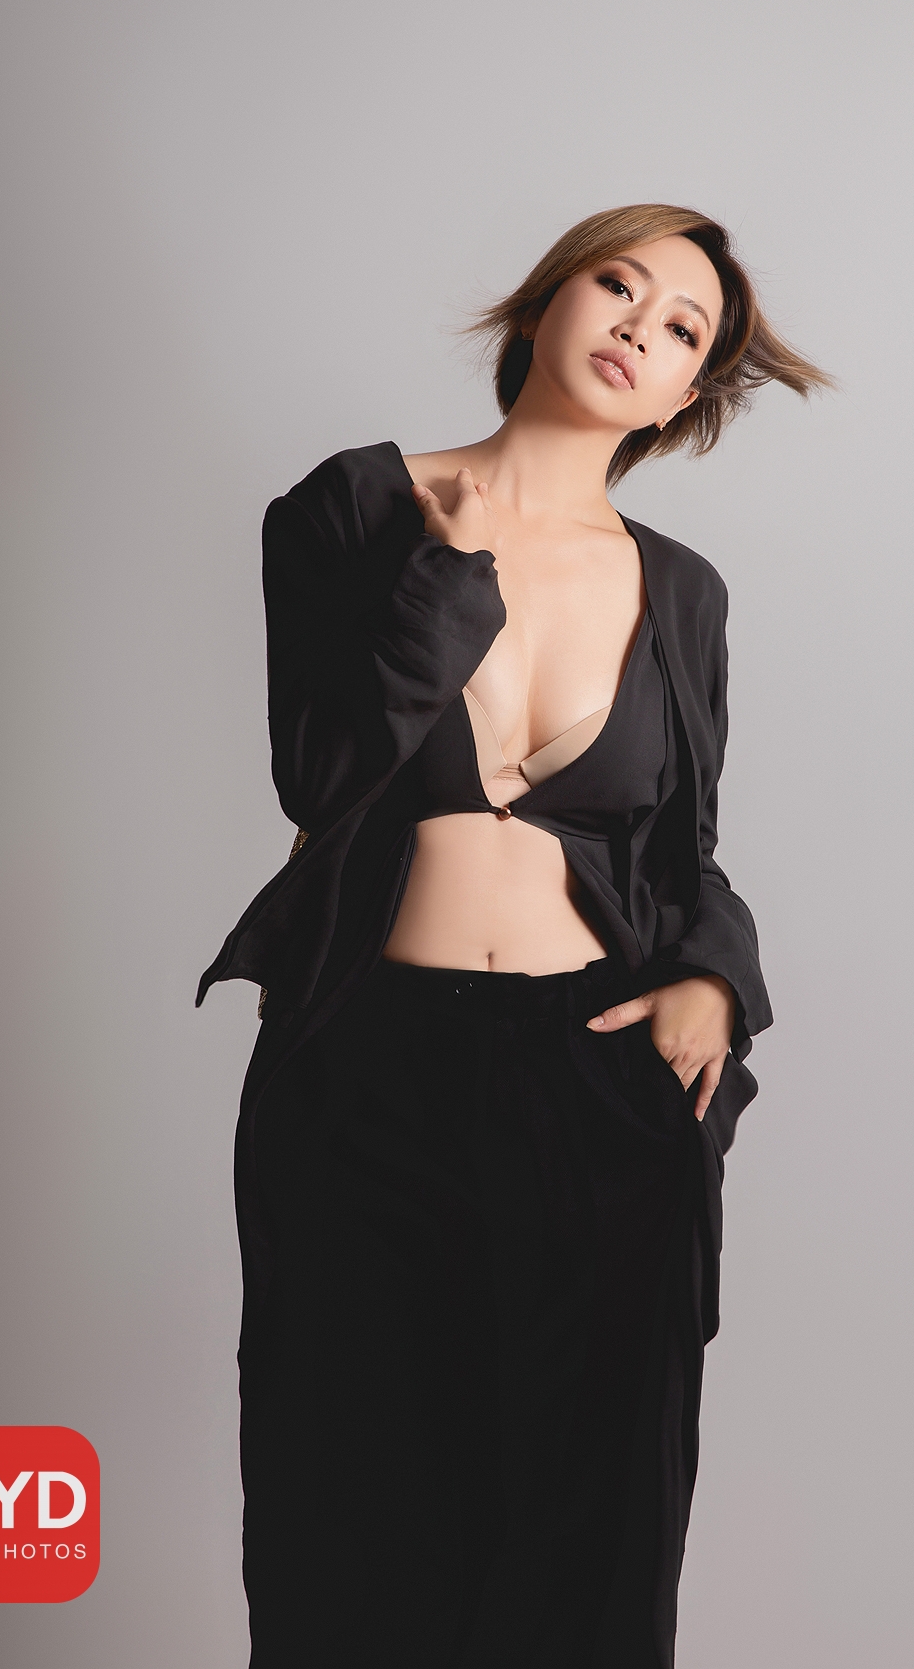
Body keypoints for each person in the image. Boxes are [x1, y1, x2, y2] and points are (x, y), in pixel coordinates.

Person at [198, 203, 828, 1668]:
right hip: (365, 1069)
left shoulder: (681, 591)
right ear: (545, 304)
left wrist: (715, 981)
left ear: (684, 397)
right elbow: (319, 777)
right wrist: (447, 576)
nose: (639, 328)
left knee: (587, 1537)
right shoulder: (355, 507)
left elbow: (684, 858)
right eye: (618, 285)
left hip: (596, 1084)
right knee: (342, 1507)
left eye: (682, 330)